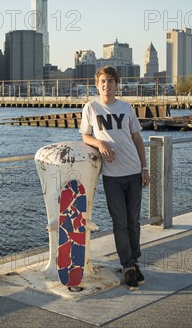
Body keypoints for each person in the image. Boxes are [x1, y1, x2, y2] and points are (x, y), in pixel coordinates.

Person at [79, 66, 150, 290]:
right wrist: (100, 143)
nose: (106, 85)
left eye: (110, 81)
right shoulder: (91, 108)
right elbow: (85, 136)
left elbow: (137, 139)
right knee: (119, 222)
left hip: (134, 170)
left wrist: (145, 168)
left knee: (134, 222)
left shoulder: (126, 107)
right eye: (102, 81)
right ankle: (128, 266)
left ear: (116, 84)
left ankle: (134, 261)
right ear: (96, 84)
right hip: (112, 176)